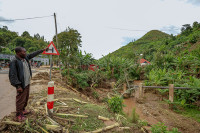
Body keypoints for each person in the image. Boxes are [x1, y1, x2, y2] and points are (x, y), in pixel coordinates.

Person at [9, 47, 48, 121]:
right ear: (18, 53)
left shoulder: (25, 58)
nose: (25, 53)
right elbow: (12, 75)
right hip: (21, 84)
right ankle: (18, 115)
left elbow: (32, 54)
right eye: (23, 52)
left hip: (27, 83)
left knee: (25, 98)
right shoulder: (14, 61)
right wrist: (18, 86)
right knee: (20, 100)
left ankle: (23, 110)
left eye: (25, 52)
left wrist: (42, 50)